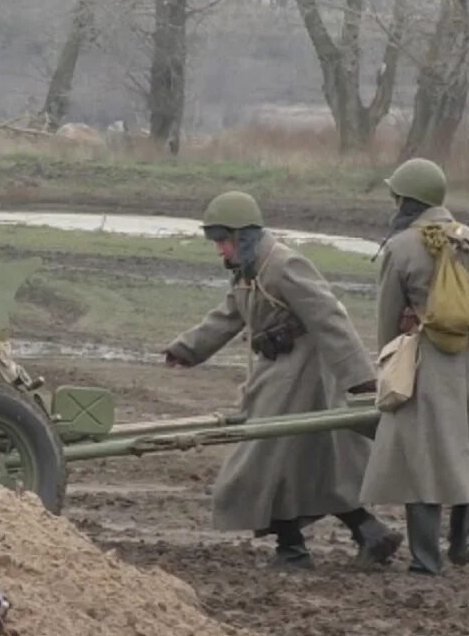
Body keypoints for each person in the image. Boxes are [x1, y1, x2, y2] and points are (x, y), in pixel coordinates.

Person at [164, 191, 401, 568]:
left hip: (304, 375)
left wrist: (360, 379)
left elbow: (329, 316)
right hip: (278, 374)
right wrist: (186, 349)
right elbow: (228, 315)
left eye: (223, 240)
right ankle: (367, 533)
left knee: (258, 462)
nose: (219, 249)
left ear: (242, 236)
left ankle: (294, 550)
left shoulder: (284, 265)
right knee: (307, 467)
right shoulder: (248, 272)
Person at [361, 158, 469, 575]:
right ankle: (463, 543)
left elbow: (388, 319)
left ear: (406, 200)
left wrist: (388, 361)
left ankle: (426, 560)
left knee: (422, 462)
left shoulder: (401, 246)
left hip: (426, 363)